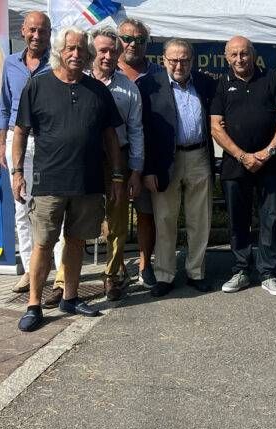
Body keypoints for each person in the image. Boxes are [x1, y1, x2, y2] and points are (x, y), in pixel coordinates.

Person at [13, 26, 125, 332]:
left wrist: (117, 176)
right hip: (49, 181)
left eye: (81, 50)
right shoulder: (37, 86)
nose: (76, 55)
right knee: (43, 244)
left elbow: (111, 136)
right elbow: (20, 131)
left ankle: (71, 298)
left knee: (76, 241)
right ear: (59, 52)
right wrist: (17, 171)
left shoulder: (98, 90)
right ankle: (34, 304)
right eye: (70, 49)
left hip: (87, 183)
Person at [212, 36, 276, 295]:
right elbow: (215, 125)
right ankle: (241, 270)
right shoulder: (222, 84)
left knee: (270, 218)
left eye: (244, 54)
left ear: (253, 54)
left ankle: (268, 272)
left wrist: (267, 153)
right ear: (226, 57)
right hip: (236, 165)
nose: (239, 59)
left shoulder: (272, 79)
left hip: (271, 164)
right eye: (233, 55)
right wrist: (243, 156)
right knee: (238, 219)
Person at [138, 39, 216, 297]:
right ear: (163, 60)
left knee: (199, 219)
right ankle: (164, 275)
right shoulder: (149, 86)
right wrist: (147, 169)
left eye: (184, 60)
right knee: (164, 219)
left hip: (199, 156)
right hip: (164, 161)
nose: (179, 64)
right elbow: (143, 131)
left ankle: (196, 272)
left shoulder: (205, 83)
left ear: (192, 61)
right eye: (173, 60)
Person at [0, 11, 53, 295]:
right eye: (32, 30)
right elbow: (4, 107)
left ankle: (51, 268)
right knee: (21, 204)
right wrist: (1, 145)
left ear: (49, 34)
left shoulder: (55, 63)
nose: (36, 35)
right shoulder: (10, 64)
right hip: (16, 141)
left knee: (49, 204)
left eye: (42, 31)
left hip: (47, 142)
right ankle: (30, 271)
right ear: (23, 31)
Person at [89, 27, 144, 299]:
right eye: (102, 50)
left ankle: (112, 275)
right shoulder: (78, 81)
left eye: (113, 51)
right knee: (72, 216)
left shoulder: (129, 88)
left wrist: (135, 170)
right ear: (92, 51)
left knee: (117, 220)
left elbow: (136, 131)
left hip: (117, 159)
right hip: (83, 158)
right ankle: (64, 281)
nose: (108, 56)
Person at [117, 18, 163, 289]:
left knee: (147, 213)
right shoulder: (107, 71)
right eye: (127, 38)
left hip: (149, 155)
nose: (133, 44)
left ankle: (146, 265)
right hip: (116, 155)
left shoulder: (159, 74)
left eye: (140, 39)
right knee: (116, 214)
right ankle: (118, 265)